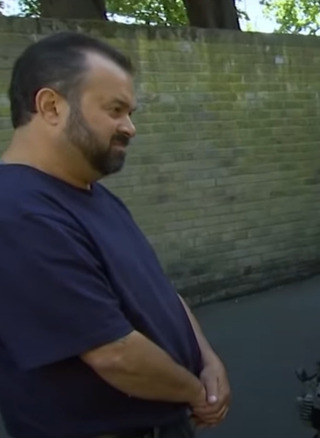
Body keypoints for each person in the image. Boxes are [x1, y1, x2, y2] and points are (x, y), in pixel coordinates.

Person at [0, 32, 231, 438]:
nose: (131, 127)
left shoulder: (94, 196)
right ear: (51, 106)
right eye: (116, 110)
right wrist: (196, 392)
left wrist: (209, 359)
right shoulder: (18, 212)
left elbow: (157, 290)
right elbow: (113, 353)